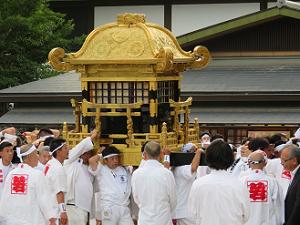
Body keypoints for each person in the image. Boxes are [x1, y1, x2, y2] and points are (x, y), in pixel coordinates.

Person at [188, 139, 249, 225]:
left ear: (208, 158)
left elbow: (192, 213)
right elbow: (246, 215)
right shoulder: (239, 185)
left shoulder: (198, 184)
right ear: (231, 158)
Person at [0, 144, 57, 225]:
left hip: (12, 220)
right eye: (35, 154)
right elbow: (44, 199)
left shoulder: (11, 174)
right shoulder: (37, 175)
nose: (38, 157)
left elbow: (5, 198)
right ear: (29, 157)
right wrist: (51, 218)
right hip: (32, 220)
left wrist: (3, 218)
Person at [131, 141, 176, 225]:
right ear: (161, 154)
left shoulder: (136, 173)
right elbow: (173, 200)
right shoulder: (166, 173)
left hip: (145, 218)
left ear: (144, 154)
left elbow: (136, 198)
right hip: (163, 218)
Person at [89, 146, 134, 225]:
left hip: (124, 207)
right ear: (105, 160)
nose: (115, 161)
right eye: (112, 158)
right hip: (109, 207)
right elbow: (91, 160)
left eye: (117, 158)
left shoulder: (123, 169)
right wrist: (101, 154)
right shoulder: (101, 169)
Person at [240, 150, 284, 225]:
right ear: (264, 163)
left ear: (249, 163)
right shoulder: (273, 181)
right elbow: (278, 205)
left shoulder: (241, 181)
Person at [64, 130, 98, 225]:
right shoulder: (70, 161)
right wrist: (91, 137)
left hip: (84, 207)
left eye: (90, 153)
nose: (88, 155)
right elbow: (79, 148)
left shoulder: (91, 169)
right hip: (71, 206)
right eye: (86, 153)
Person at [172, 143, 201, 225]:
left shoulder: (177, 167)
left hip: (183, 210)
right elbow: (193, 168)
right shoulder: (181, 168)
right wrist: (198, 152)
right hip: (184, 211)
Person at [44, 138, 69, 225]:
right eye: (65, 148)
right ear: (58, 151)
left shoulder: (49, 164)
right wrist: (63, 212)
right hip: (55, 212)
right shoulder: (57, 168)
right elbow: (59, 192)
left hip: (48, 210)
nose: (68, 150)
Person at [280, 145, 300, 225]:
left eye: (284, 160)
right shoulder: (295, 173)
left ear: (294, 161)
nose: (281, 163)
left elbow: (298, 205)